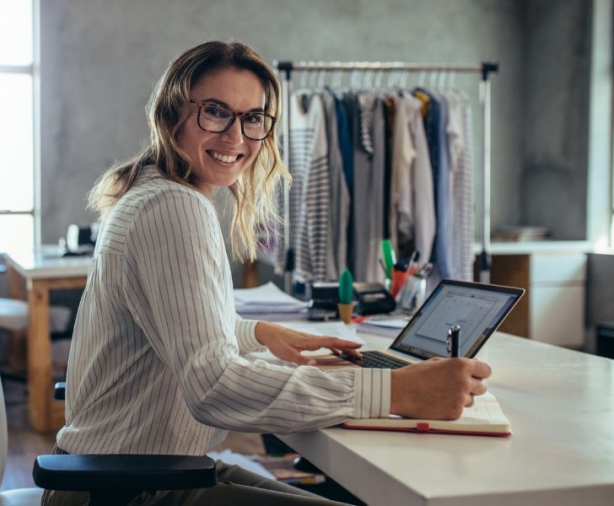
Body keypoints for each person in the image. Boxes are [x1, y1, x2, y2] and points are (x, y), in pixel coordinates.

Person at [43, 40, 491, 506]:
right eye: (215, 112)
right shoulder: (173, 207)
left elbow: (172, 329)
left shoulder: (152, 192)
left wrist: (256, 332)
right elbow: (212, 387)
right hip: (129, 489)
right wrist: (396, 390)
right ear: (172, 113)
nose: (236, 136)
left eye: (252, 117)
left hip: (135, 472)